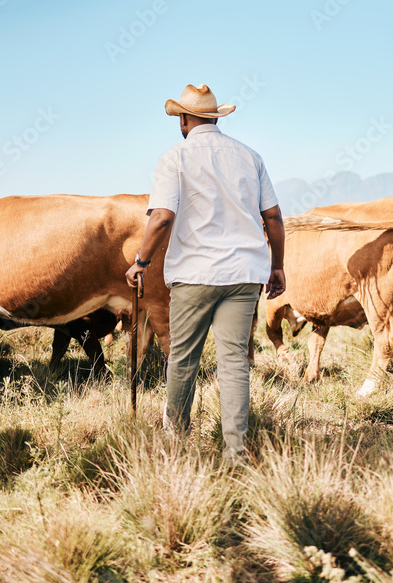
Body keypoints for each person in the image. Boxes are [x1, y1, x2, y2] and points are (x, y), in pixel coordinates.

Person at [126, 83, 285, 463]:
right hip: (244, 273)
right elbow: (274, 217)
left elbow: (162, 217)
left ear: (183, 118)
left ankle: (176, 445)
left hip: (195, 274)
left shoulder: (174, 157)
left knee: (183, 359)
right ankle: (236, 452)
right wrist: (277, 265)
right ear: (214, 117)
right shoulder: (250, 156)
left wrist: (141, 262)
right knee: (234, 363)